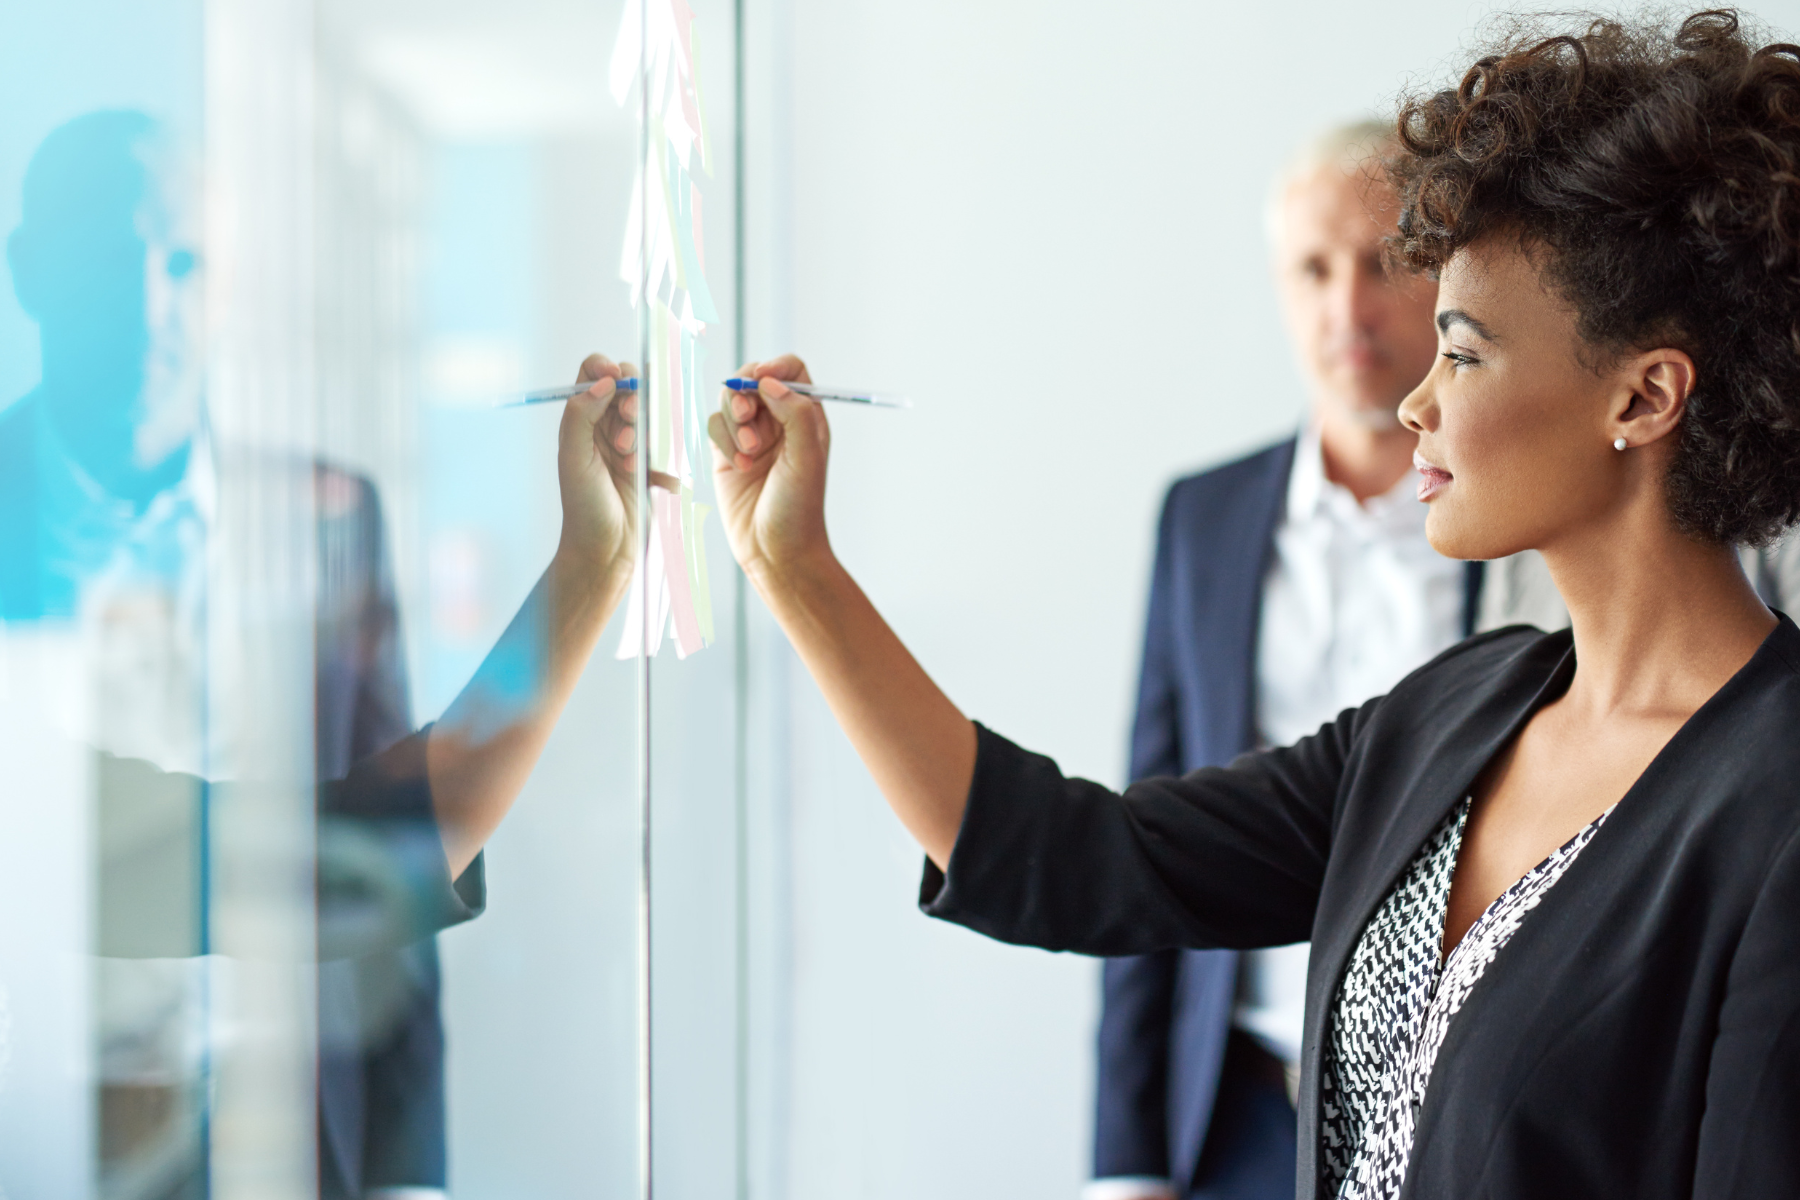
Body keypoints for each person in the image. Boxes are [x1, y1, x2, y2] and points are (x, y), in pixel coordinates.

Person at [707, 10, 1800, 1198]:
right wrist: (796, 571)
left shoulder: (1776, 803)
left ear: (1644, 399)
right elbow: (1085, 857)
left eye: (1467, 352)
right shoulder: (1453, 716)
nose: (1418, 403)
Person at [0, 110, 640, 1198]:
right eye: (113, 259)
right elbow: (362, 854)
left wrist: (407, 1175)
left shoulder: (327, 515)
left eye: (189, 264)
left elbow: (378, 902)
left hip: (271, 1132)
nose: (155, 306)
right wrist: (585, 571)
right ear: (31, 274)